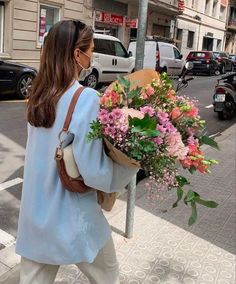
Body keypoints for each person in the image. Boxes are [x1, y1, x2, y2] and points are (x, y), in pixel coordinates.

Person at [16, 20, 138, 284]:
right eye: (90, 49)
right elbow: (94, 173)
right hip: (74, 218)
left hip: (35, 215)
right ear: (76, 54)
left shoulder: (37, 97)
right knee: (108, 275)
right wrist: (131, 165)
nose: (91, 55)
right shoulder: (86, 99)